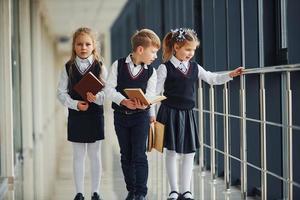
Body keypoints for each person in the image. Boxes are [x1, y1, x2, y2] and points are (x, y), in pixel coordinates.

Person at [155, 28, 243, 200]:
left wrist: (230, 75)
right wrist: (151, 115)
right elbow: (155, 93)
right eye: (188, 49)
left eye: (193, 50)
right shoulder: (164, 68)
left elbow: (212, 78)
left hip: (187, 114)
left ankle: (186, 190)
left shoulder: (195, 67)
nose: (191, 53)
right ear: (176, 47)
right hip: (169, 114)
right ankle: (174, 190)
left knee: (189, 152)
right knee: (171, 152)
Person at [105, 29, 161, 200]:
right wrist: (124, 101)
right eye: (153, 52)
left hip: (141, 118)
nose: (155, 56)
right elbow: (108, 89)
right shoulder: (118, 65)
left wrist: (150, 112)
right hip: (121, 117)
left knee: (139, 154)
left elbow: (150, 95)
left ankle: (141, 192)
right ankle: (132, 190)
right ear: (140, 50)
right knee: (126, 154)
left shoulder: (152, 72)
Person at [57, 27, 107, 200]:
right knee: (78, 155)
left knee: (95, 155)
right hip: (76, 116)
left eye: (87, 44)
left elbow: (107, 91)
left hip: (95, 115)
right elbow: (60, 93)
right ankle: (79, 193)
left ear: (94, 46)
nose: (83, 47)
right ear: (74, 46)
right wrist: (75, 104)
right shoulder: (68, 67)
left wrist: (97, 97)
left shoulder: (100, 66)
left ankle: (96, 192)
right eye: (79, 44)